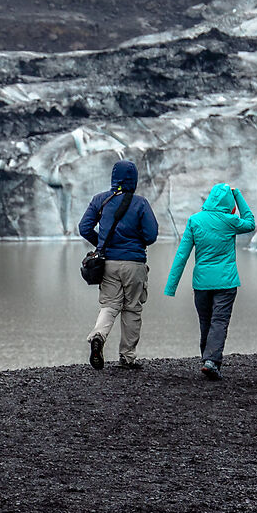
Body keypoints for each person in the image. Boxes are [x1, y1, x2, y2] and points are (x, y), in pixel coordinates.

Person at [164, 182, 257, 379]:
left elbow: (182, 255)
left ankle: (207, 359)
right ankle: (211, 361)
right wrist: (238, 194)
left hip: (202, 283)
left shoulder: (195, 220)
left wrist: (171, 286)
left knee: (205, 321)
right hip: (226, 282)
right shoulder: (230, 221)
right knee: (219, 321)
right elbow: (250, 222)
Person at [78, 158, 158, 370]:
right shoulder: (140, 203)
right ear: (134, 179)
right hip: (134, 263)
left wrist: (102, 244)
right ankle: (127, 357)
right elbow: (151, 235)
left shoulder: (100, 200)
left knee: (110, 305)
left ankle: (98, 336)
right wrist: (135, 242)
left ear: (113, 177)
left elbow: (84, 227)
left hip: (108, 263)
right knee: (132, 309)